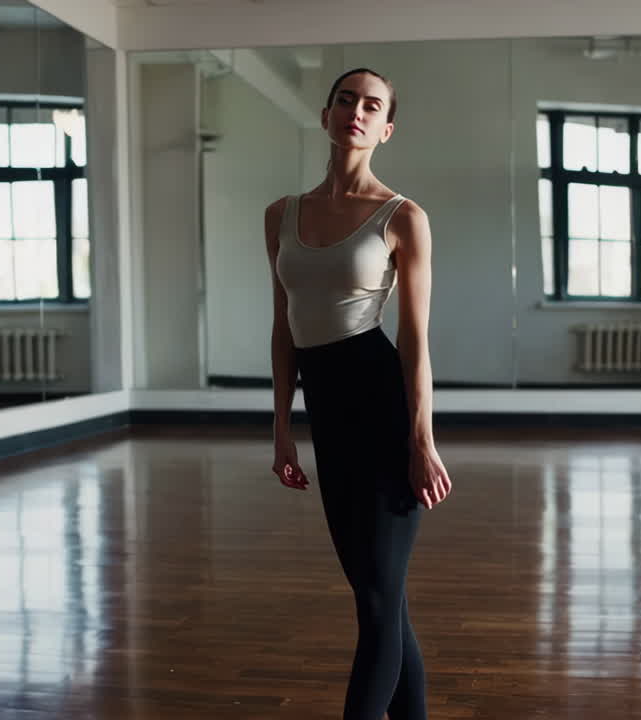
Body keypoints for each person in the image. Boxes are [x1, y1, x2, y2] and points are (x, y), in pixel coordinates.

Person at [264, 67, 452, 720]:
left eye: (373, 105)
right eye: (347, 99)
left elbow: (416, 341)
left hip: (380, 407)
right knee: (381, 599)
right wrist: (283, 429)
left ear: (386, 129)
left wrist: (421, 441)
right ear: (326, 115)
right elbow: (283, 327)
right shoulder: (281, 215)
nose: (358, 111)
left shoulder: (403, 217)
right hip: (327, 416)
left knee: (377, 604)